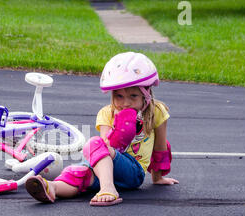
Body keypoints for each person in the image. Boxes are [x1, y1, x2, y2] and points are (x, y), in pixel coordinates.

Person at [25, 52, 179, 206]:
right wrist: (121, 127)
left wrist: (157, 178)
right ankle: (52, 188)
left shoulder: (156, 111)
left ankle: (108, 189)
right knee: (80, 173)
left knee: (93, 144)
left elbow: (160, 146)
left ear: (146, 95)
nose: (125, 103)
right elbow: (107, 145)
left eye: (133, 96)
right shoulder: (106, 113)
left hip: (133, 172)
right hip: (107, 168)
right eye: (119, 96)